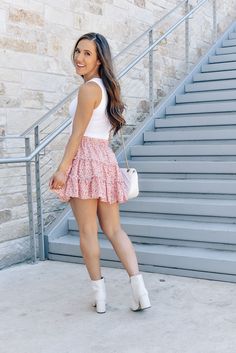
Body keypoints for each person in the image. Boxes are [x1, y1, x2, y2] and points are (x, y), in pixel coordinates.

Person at [49, 32, 151, 314]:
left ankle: (100, 296)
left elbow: (77, 135)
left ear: (99, 60)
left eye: (87, 54)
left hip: (85, 160)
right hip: (105, 159)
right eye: (78, 51)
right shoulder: (107, 88)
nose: (79, 58)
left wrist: (62, 170)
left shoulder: (89, 89)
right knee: (114, 229)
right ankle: (139, 291)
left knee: (88, 231)